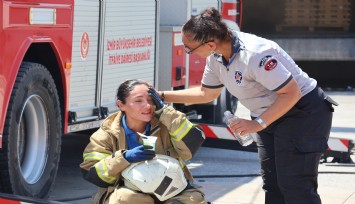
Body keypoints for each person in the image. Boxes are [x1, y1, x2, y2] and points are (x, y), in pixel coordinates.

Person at [158, 8, 338, 204]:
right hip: (269, 115)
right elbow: (206, 93)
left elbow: (291, 93)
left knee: (295, 185)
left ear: (209, 43)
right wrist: (161, 95)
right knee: (273, 184)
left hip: (302, 113)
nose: (187, 52)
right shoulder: (216, 56)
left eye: (189, 48)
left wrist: (258, 123)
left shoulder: (255, 54)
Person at [80, 79, 206, 204]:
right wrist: (124, 158)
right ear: (121, 105)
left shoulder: (167, 123)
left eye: (151, 100)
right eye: (138, 101)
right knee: (124, 199)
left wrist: (166, 111)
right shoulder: (106, 134)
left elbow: (192, 144)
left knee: (193, 200)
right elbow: (92, 173)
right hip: (130, 192)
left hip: (171, 190)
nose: (147, 106)